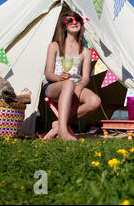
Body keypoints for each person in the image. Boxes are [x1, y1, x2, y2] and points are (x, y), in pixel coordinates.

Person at [42, 10, 101, 141]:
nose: (74, 22)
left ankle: (59, 125)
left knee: (95, 101)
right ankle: (63, 133)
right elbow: (48, 73)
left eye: (78, 20)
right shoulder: (54, 46)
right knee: (68, 83)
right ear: (64, 26)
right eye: (70, 20)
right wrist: (59, 78)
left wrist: (79, 87)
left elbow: (85, 77)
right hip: (53, 86)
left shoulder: (85, 51)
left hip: (75, 85)